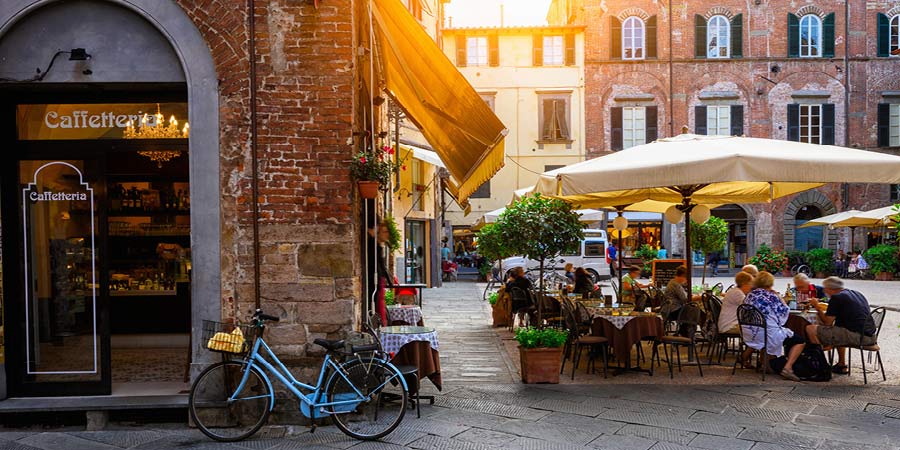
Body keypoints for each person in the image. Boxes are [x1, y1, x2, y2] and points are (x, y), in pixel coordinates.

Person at [740, 271, 806, 381]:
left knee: (769, 331)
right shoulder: (771, 296)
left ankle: (765, 365)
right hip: (767, 334)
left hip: (750, 333)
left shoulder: (750, 295)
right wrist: (779, 297)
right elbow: (784, 314)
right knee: (800, 341)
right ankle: (788, 368)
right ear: (770, 283)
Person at [806, 277, 877, 375]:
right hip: (871, 336)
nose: (824, 291)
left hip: (860, 337)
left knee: (810, 329)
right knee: (838, 328)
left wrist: (817, 306)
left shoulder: (837, 298)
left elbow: (827, 323)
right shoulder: (857, 293)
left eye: (825, 289)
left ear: (831, 289)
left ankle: (821, 366)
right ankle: (841, 364)